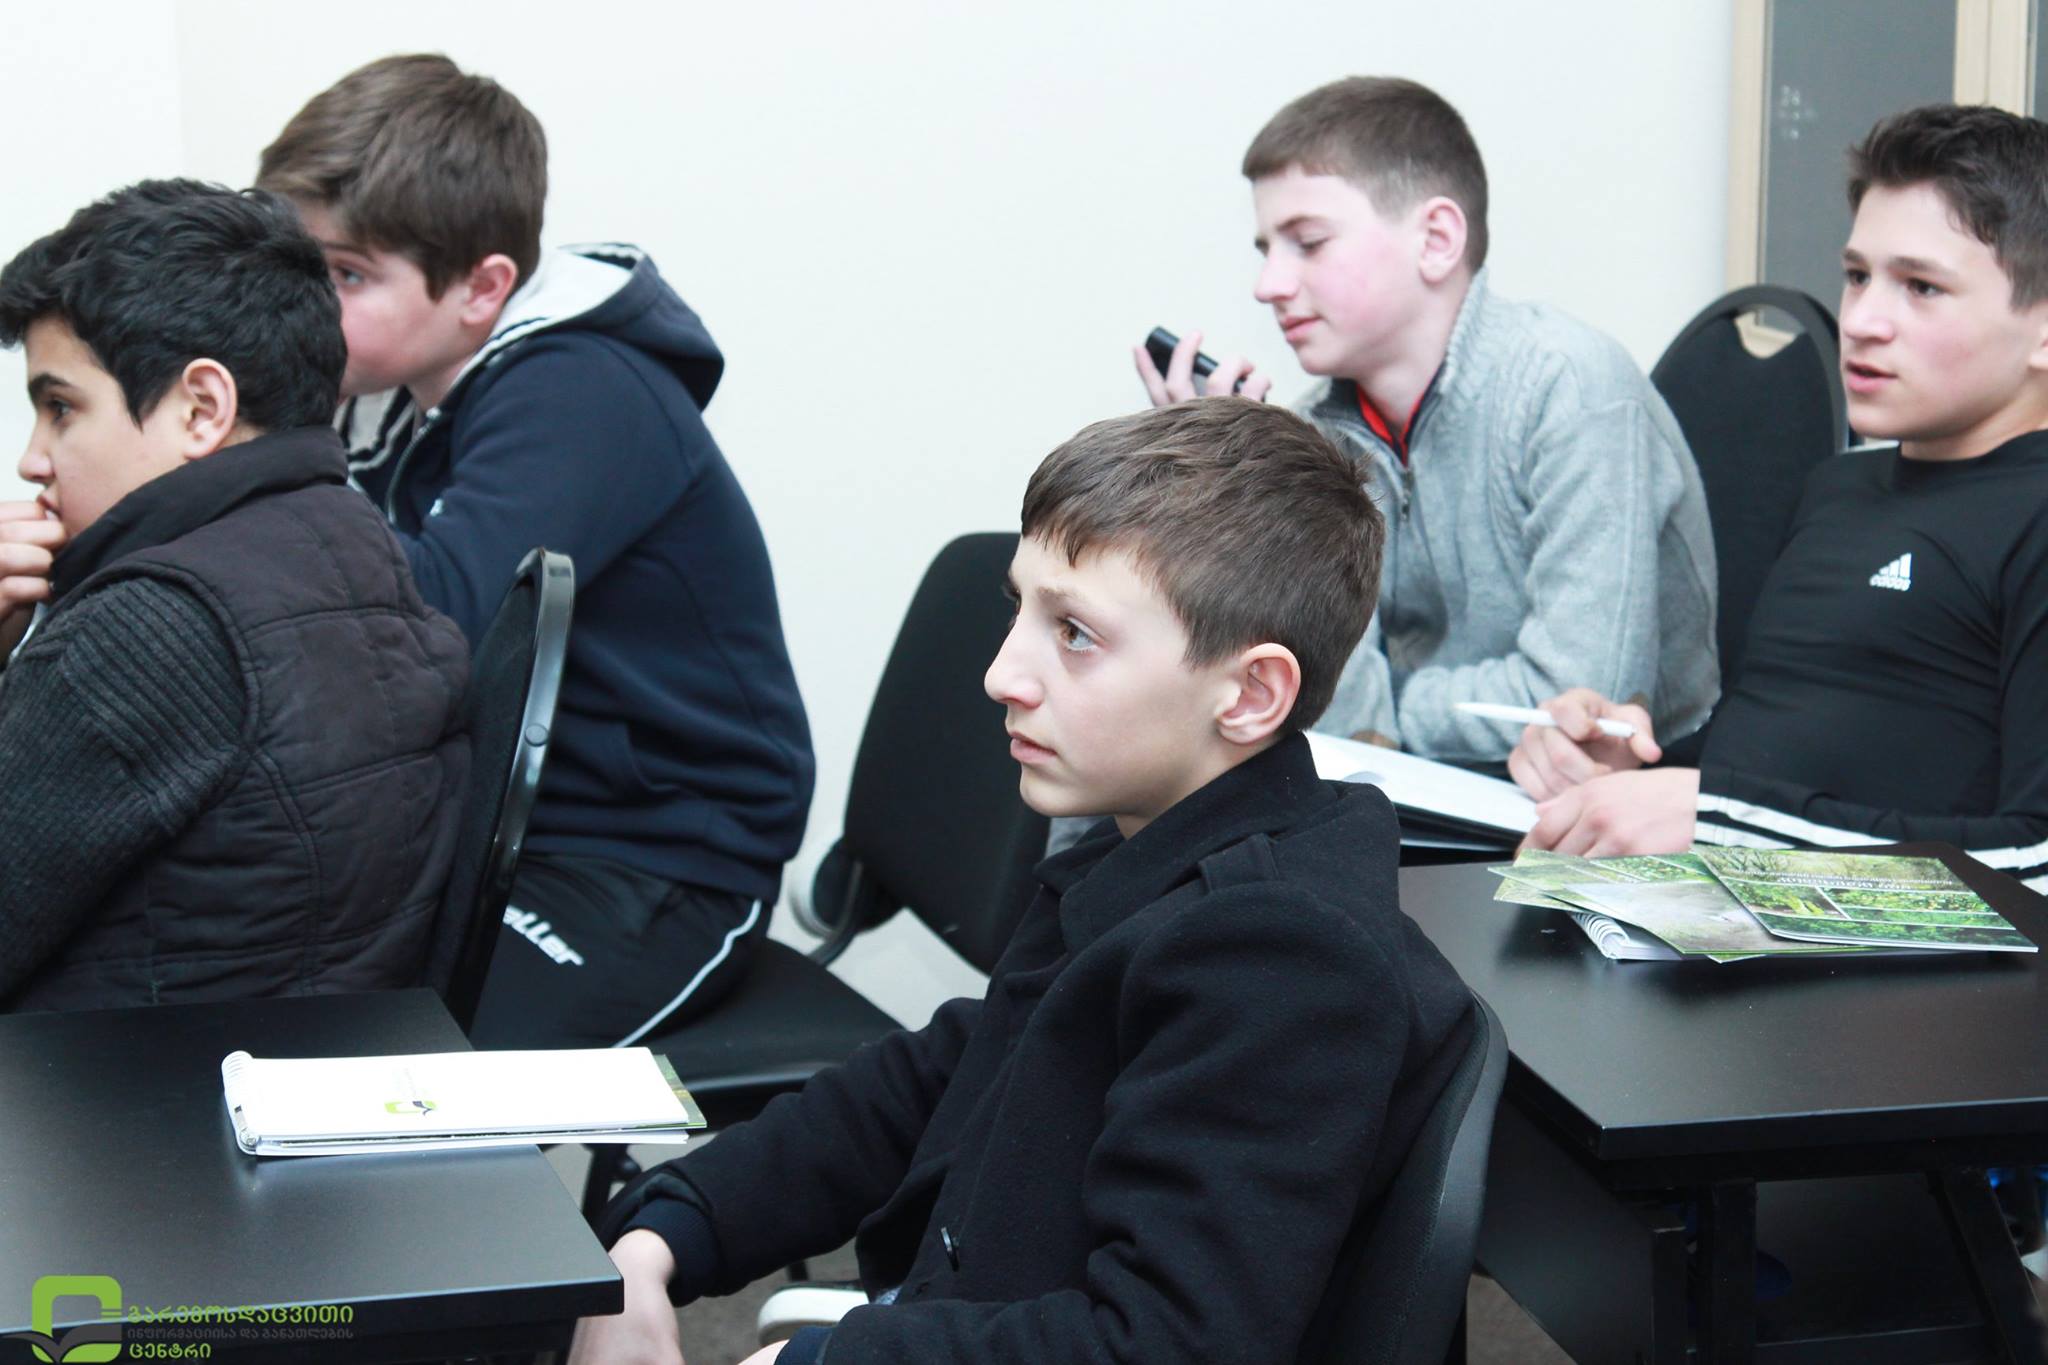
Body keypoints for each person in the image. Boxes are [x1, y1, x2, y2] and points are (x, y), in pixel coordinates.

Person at [566, 398, 1474, 1365]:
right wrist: (668, 1226)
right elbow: (936, 1084)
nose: (1003, 673)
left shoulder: (1281, 959)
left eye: (1075, 633)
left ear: (1250, 694)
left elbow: (1162, 1345)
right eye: (1020, 609)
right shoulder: (1143, 855)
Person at [257, 55, 815, 1047]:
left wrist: (253, 454)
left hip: (654, 860)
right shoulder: (391, 390)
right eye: (296, 272)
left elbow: (431, 629)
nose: (305, 308)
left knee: (413, 1083)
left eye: (345, 276)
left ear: (482, 288)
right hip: (491, 829)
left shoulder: (578, 389)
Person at [1513, 103, 2048, 888]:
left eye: (1922, 287)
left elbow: (2036, 867)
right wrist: (1627, 771)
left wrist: (1717, 821)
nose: (1862, 320)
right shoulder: (1837, 488)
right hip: (1715, 927)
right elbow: (1772, 772)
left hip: (1892, 970)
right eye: (1858, 275)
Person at [1137, 75, 1717, 761]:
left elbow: (1583, 707)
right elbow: (1331, 714)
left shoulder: (1572, 386)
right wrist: (1251, 493)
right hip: (1406, 791)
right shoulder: (1315, 434)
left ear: (1437, 240)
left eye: (1309, 242)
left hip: (1600, 795)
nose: (1269, 286)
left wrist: (1387, 709)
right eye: (1267, 251)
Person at [0, 179, 470, 1011]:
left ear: (201, 409)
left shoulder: (144, 631)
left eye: (61, 407)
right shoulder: (352, 541)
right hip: (289, 1067)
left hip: (111, 1083)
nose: (32, 459)